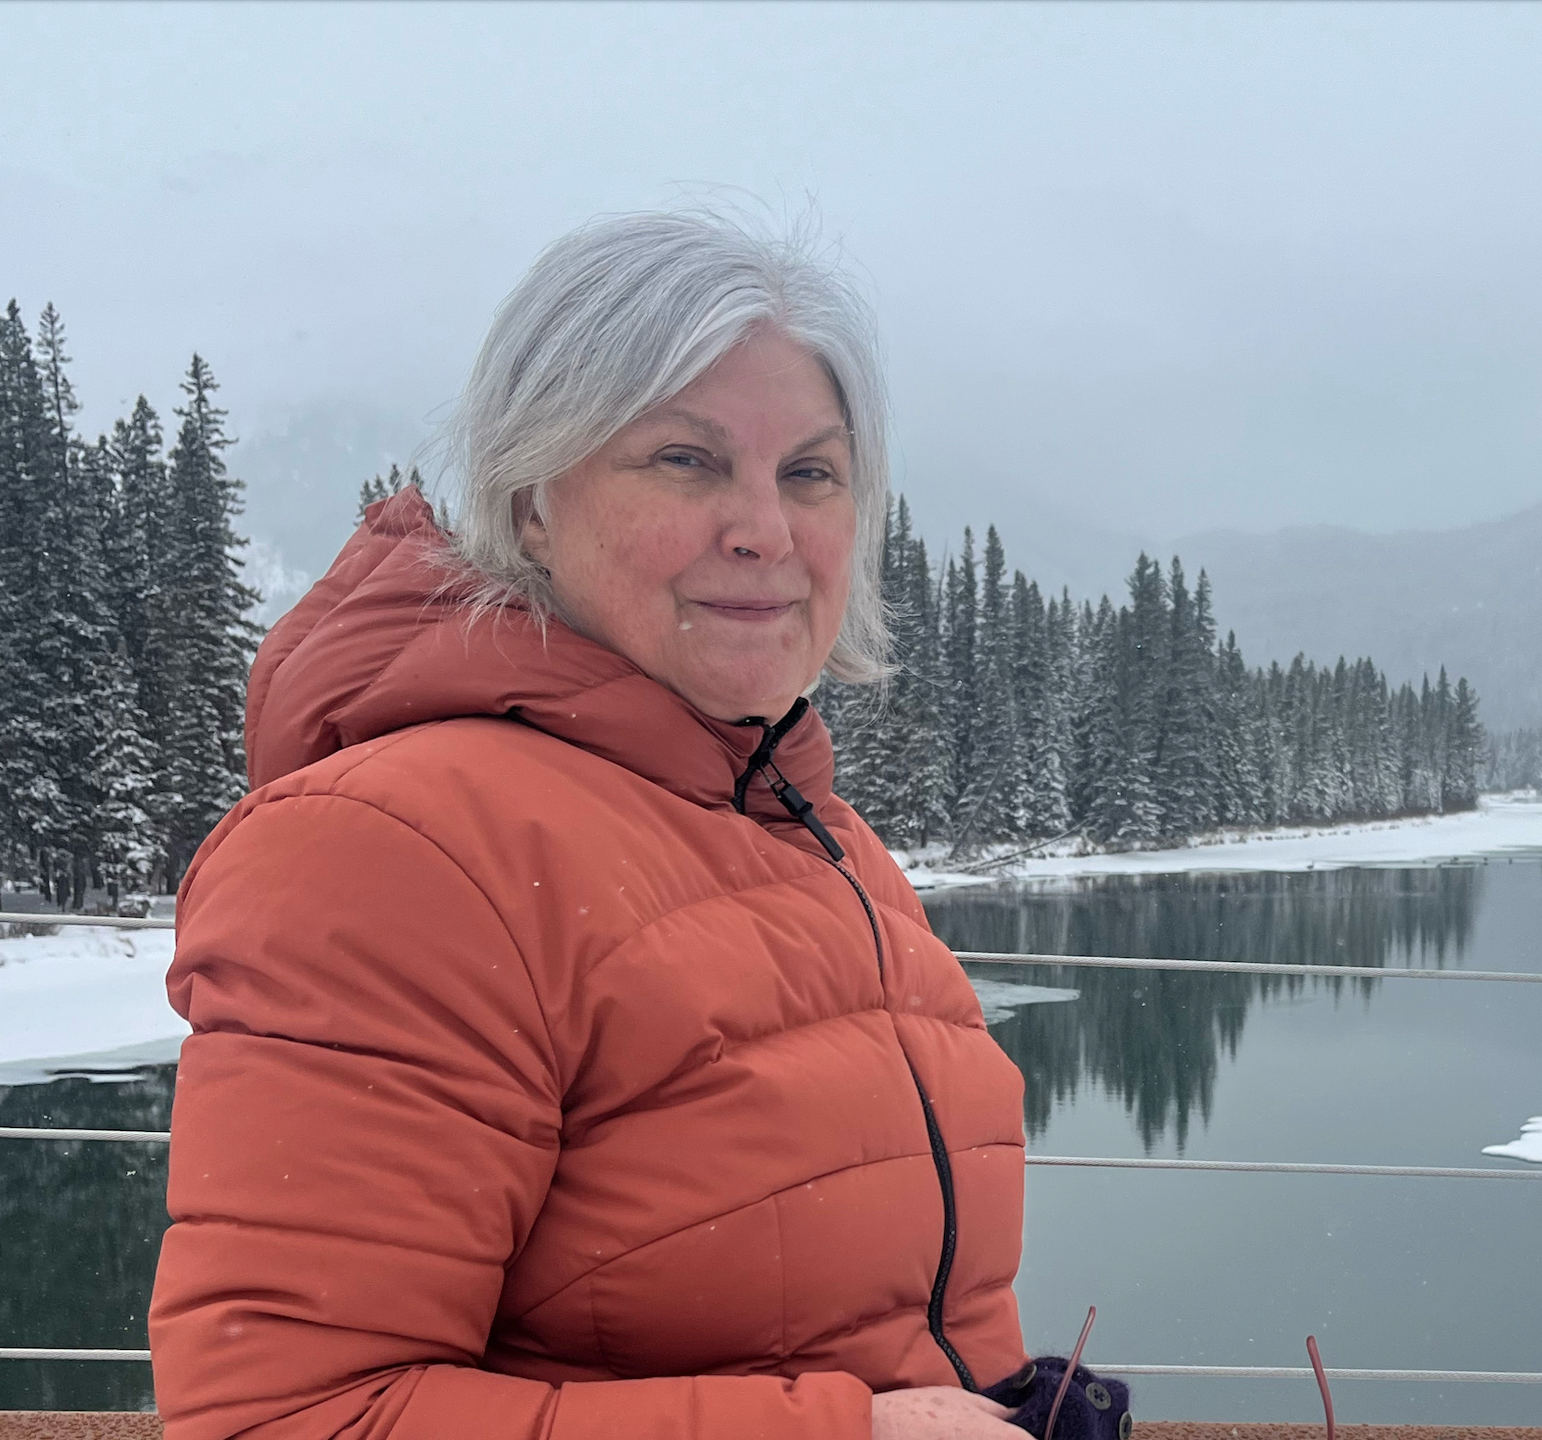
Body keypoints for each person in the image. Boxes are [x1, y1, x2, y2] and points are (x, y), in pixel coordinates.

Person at [149, 212, 1033, 1440]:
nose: (765, 529)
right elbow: (291, 1421)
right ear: (528, 506)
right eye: (686, 459)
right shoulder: (394, 852)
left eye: (810, 473)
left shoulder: (816, 840)